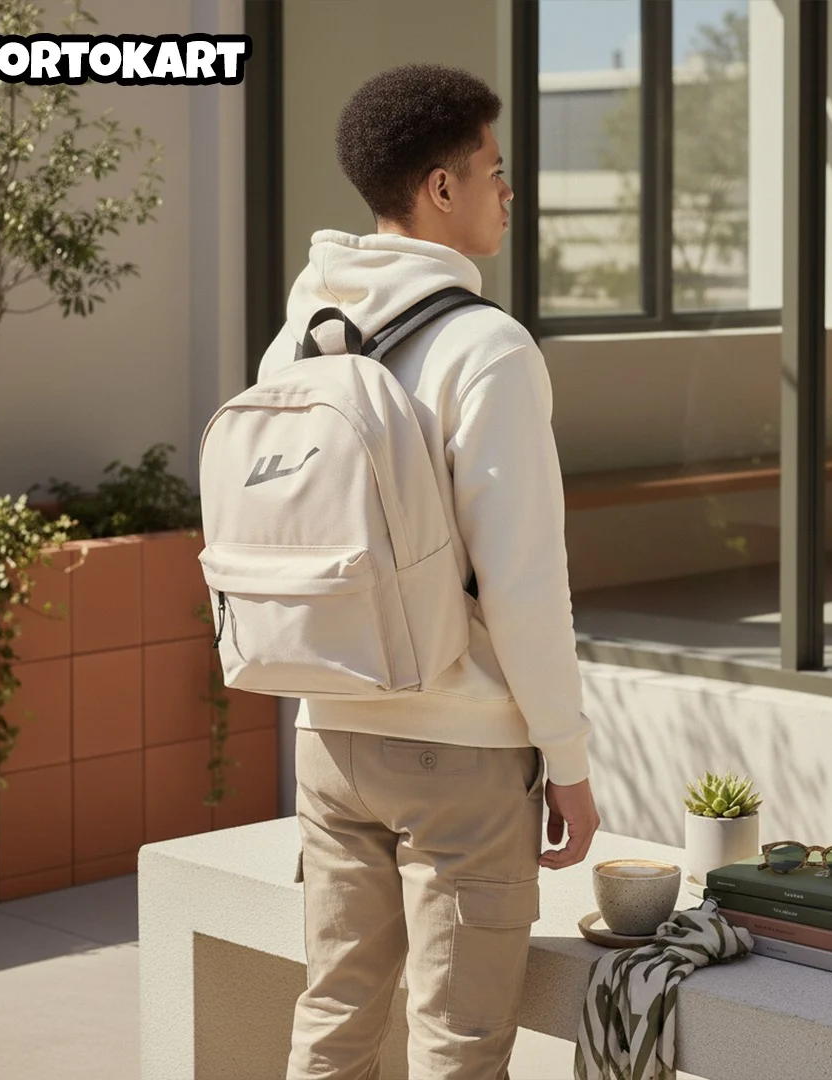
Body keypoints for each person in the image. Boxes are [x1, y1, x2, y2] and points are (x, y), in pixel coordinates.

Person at [258, 63, 599, 1080]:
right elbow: (524, 579)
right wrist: (568, 763)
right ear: (438, 189)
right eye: (495, 170)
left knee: (335, 1023)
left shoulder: (300, 338)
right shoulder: (484, 348)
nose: (508, 192)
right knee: (457, 1045)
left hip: (327, 730)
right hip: (456, 752)